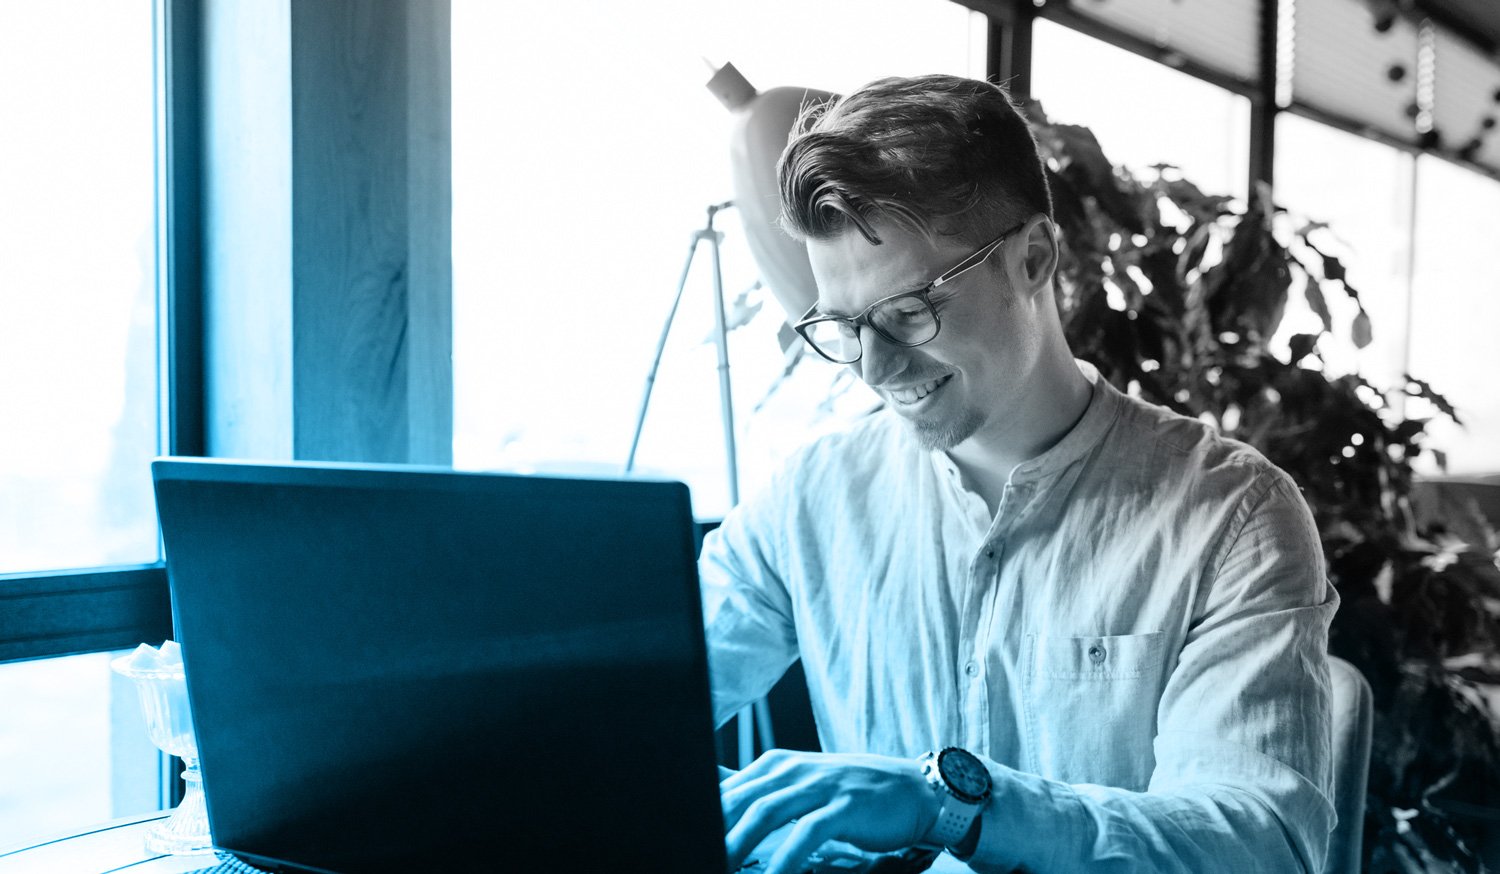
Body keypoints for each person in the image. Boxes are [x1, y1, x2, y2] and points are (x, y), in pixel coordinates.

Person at [700, 74, 1338, 874]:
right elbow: (625, 706)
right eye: (845, 325)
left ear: (1033, 258)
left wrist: (948, 807)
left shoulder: (1231, 517)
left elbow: (1260, 844)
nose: (875, 368)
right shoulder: (810, 500)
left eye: (909, 313)